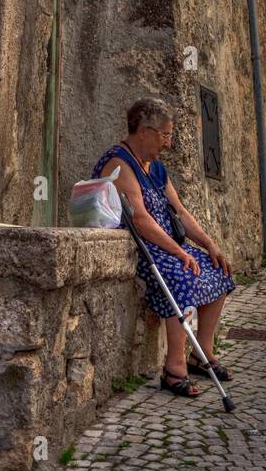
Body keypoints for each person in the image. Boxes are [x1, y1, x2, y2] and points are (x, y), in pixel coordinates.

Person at [94, 97, 235, 397]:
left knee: (218, 270)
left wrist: (210, 245)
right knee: (181, 274)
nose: (169, 143)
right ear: (143, 131)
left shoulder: (155, 168)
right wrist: (180, 252)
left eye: (169, 135)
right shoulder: (119, 163)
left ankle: (202, 354)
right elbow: (142, 221)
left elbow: (180, 212)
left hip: (165, 245)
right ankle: (174, 369)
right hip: (138, 248)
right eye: (165, 135)